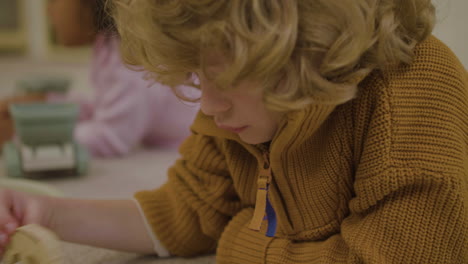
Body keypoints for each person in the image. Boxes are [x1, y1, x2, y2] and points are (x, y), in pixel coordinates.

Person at [0, 0, 467, 263]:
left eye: (225, 78)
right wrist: (49, 212)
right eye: (198, 78)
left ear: (302, 46)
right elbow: (184, 210)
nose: (208, 105)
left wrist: (241, 243)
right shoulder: (238, 116)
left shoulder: (412, 88)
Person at [45, 0, 199, 157]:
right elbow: (106, 105)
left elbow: (110, 137)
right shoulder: (108, 44)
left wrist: (41, 134)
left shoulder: (131, 56)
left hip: (189, 145)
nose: (48, 11)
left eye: (53, 1)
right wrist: (51, 103)